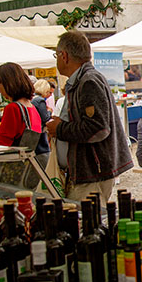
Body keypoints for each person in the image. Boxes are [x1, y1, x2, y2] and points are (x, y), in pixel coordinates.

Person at [46, 31, 132, 202]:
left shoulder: (88, 81)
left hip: (93, 172)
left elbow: (98, 128)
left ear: (64, 56)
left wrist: (60, 128)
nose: (56, 60)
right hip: (89, 171)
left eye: (56, 55)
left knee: (87, 222)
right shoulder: (83, 80)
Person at [30, 79, 52, 164]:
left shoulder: (33, 99)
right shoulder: (40, 100)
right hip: (40, 133)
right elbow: (45, 117)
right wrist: (49, 111)